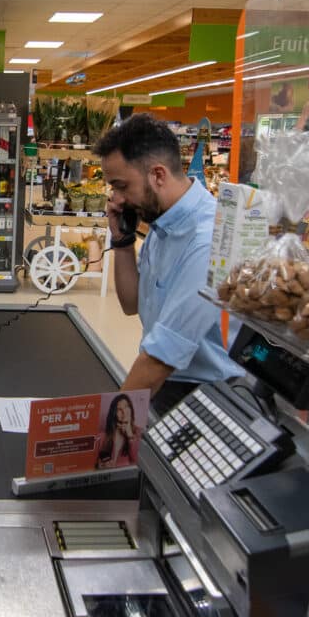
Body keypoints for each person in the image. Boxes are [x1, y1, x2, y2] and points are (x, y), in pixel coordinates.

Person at [97, 114, 244, 413]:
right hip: (171, 383)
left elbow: (159, 358)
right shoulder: (164, 222)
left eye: (122, 186)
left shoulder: (208, 242)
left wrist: (105, 434)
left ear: (158, 175)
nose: (117, 199)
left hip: (211, 396)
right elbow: (131, 304)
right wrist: (123, 243)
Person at [96, 393, 142, 469]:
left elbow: (137, 462)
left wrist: (130, 435)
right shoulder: (101, 437)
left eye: (127, 407)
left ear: (131, 409)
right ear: (114, 413)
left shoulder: (139, 432)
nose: (124, 412)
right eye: (119, 409)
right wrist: (99, 466)